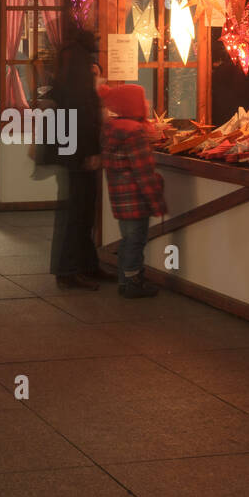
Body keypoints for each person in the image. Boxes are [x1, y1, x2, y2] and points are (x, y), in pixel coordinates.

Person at [49, 27, 110, 290]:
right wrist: (91, 151)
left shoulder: (70, 56)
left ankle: (85, 264)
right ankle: (69, 269)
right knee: (78, 211)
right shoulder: (79, 59)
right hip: (78, 149)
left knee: (81, 209)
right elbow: (81, 110)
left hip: (70, 145)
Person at [99, 83, 167, 298]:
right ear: (133, 104)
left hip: (119, 196)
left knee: (128, 239)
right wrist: (156, 200)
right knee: (136, 241)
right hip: (135, 198)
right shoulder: (134, 133)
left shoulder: (111, 128)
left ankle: (124, 280)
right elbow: (143, 171)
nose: (146, 104)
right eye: (143, 100)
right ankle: (133, 282)